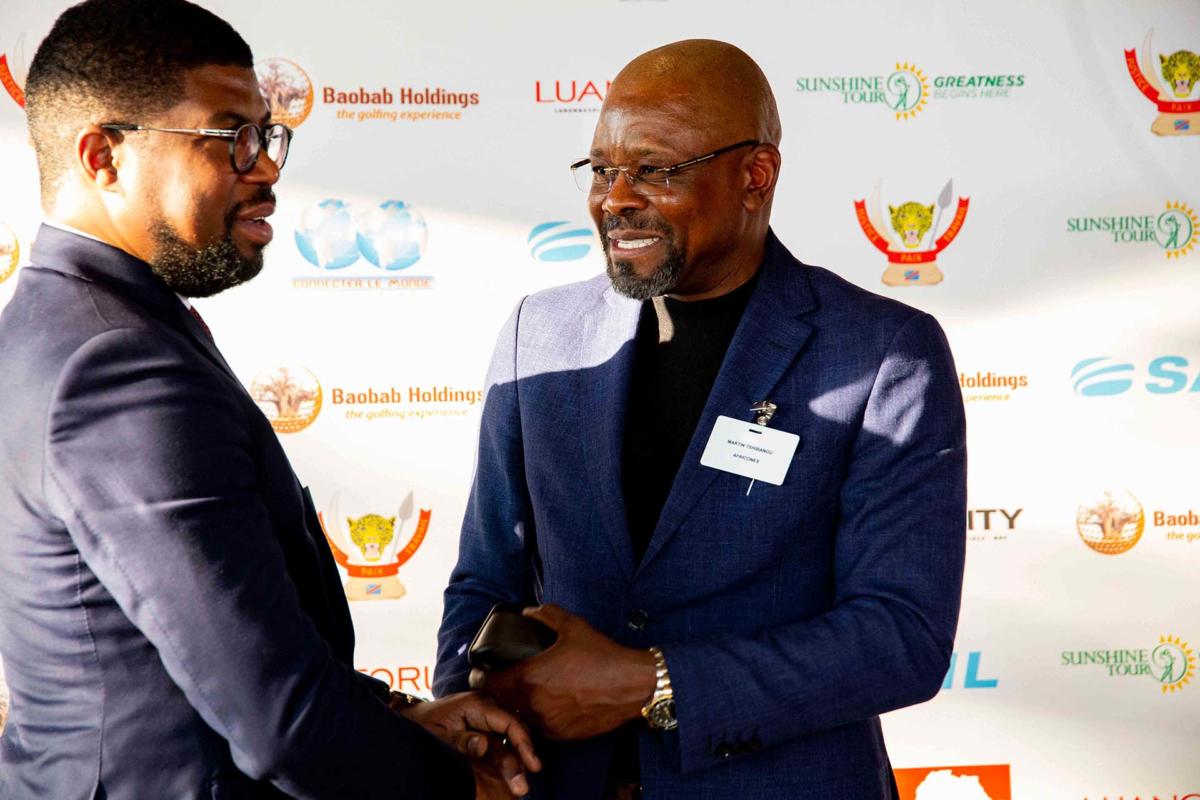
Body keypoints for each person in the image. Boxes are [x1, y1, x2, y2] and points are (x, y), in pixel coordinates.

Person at [0, 2, 538, 798]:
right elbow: (284, 723)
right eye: (230, 138)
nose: (266, 167)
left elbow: (212, 659)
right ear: (103, 156)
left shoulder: (70, 322)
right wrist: (462, 786)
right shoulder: (115, 363)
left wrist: (399, 718)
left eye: (267, 135)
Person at [434, 39, 966, 800]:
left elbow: (900, 636)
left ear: (755, 177)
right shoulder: (538, 335)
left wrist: (650, 683)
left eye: (653, 169)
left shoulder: (882, 351)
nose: (615, 199)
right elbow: (486, 581)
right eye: (602, 169)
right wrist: (472, 726)